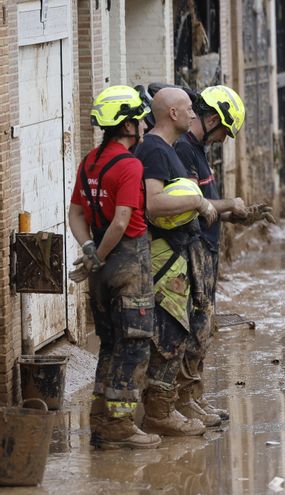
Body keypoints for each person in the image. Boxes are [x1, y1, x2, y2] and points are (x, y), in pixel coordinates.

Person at [172, 85, 274, 427]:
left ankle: (193, 396)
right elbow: (192, 208)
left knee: (204, 327)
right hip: (194, 249)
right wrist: (230, 204)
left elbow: (209, 206)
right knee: (195, 326)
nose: (224, 139)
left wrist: (243, 214)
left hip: (208, 249)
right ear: (212, 118)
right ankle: (182, 400)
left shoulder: (197, 150)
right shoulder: (184, 150)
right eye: (225, 132)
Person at [68, 85, 160, 449]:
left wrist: (90, 251)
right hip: (127, 262)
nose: (141, 126)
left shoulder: (90, 161)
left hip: (101, 270)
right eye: (138, 120)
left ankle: (101, 420)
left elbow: (76, 213)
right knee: (134, 344)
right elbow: (122, 220)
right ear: (127, 125)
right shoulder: (130, 165)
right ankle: (121, 422)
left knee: (108, 343)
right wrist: (102, 253)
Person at [137, 87, 218, 437]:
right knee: (168, 333)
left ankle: (169, 406)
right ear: (171, 113)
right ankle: (159, 412)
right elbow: (153, 204)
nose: (192, 114)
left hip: (176, 253)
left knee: (179, 330)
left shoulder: (165, 149)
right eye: (187, 109)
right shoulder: (154, 150)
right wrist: (197, 204)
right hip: (162, 257)